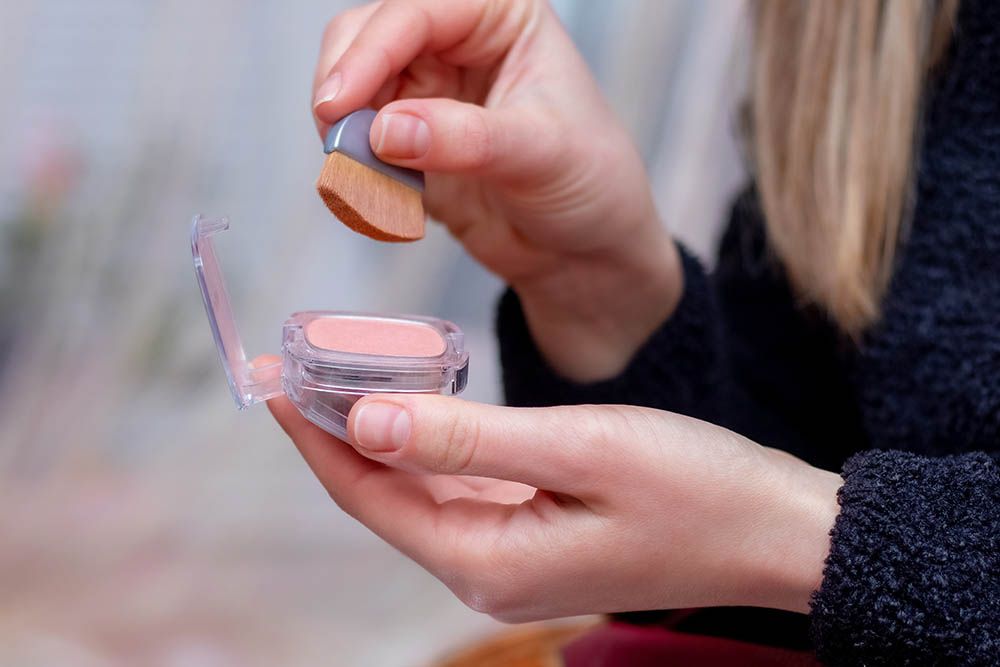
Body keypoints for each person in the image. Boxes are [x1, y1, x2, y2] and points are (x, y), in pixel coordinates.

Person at [257, 0, 999, 663]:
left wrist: (799, 538)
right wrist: (595, 287)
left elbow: (791, 521)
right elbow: (796, 479)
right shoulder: (854, 29)